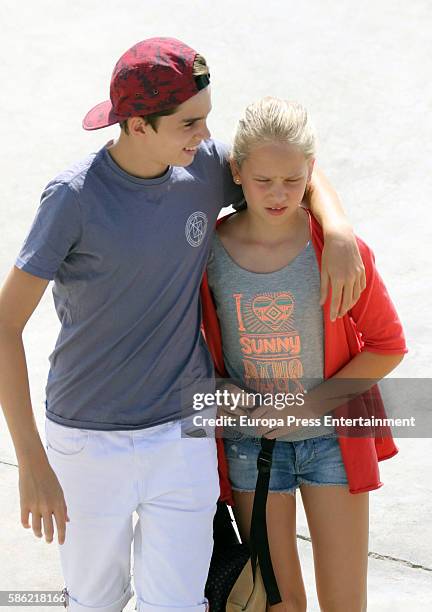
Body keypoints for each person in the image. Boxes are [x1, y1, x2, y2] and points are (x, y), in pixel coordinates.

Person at [0, 37, 366, 612]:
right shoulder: (72, 198)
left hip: (184, 432)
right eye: (190, 122)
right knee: (93, 601)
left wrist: (338, 227)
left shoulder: (199, 169)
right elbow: (4, 326)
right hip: (88, 441)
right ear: (139, 125)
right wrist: (31, 462)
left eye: (207, 118)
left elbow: (285, 167)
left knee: (180, 603)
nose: (206, 136)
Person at [202, 97, 407, 611]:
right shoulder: (208, 254)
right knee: (278, 604)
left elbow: (387, 346)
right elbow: (187, 347)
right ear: (237, 172)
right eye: (263, 180)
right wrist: (225, 398)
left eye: (293, 181)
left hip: (332, 445)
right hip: (252, 447)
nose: (277, 193)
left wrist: (304, 407)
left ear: (311, 173)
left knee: (344, 603)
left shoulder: (337, 253)